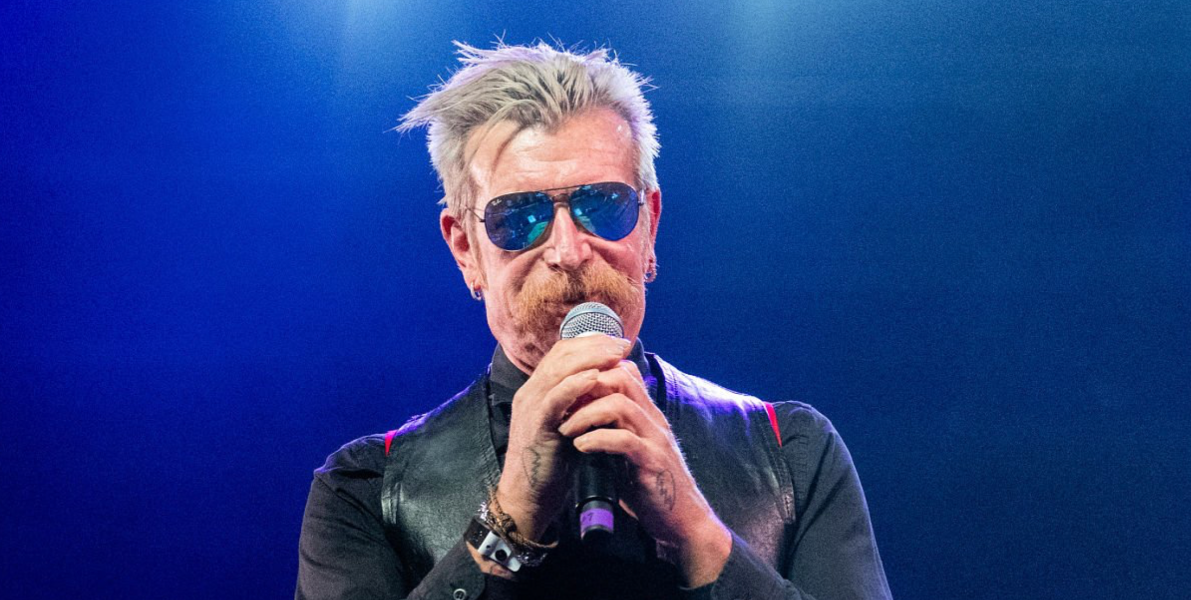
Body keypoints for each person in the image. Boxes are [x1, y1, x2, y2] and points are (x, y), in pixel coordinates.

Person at [296, 41, 892, 600]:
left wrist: (698, 534)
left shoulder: (789, 454)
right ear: (465, 249)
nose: (569, 250)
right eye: (518, 217)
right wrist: (508, 519)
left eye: (602, 206)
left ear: (649, 226)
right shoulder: (371, 490)